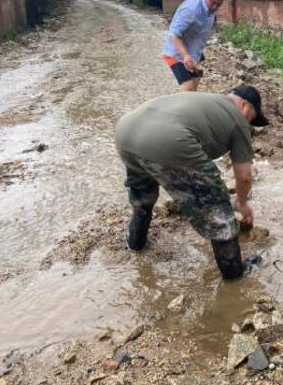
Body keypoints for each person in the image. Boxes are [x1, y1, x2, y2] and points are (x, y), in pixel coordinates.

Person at [114, 85, 269, 280]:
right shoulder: (238, 120)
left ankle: (135, 241)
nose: (250, 123)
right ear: (244, 104)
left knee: (143, 192)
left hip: (125, 132)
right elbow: (244, 176)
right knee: (216, 211)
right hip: (171, 141)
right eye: (252, 117)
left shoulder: (203, 99)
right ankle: (234, 273)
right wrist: (242, 203)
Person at [163, 0, 228, 92]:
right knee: (188, 89)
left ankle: (187, 107)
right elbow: (174, 34)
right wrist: (186, 55)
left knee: (194, 87)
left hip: (193, 53)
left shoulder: (211, 11)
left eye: (218, 4)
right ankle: (177, 109)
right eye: (212, 2)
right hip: (176, 54)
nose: (214, 7)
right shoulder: (191, 9)